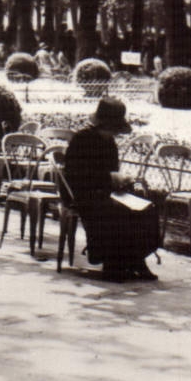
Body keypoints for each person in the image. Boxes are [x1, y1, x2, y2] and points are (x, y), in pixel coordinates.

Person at [62, 98, 161, 281]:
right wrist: (107, 178)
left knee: (146, 210)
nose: (112, 134)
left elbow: (113, 171)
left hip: (106, 191)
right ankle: (113, 264)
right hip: (82, 191)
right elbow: (75, 174)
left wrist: (121, 181)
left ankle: (136, 259)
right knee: (115, 211)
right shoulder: (82, 139)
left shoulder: (110, 144)